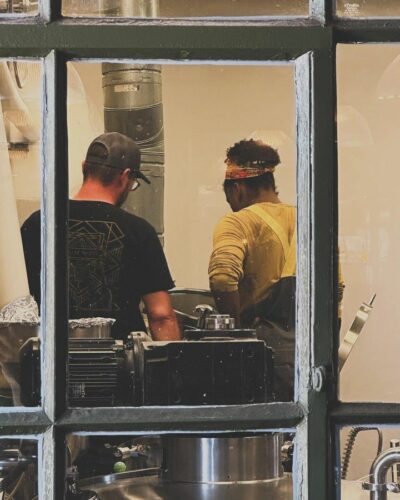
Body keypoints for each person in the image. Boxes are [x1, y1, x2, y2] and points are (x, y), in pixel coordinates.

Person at [209, 139, 344, 401]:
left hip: (260, 356)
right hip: (312, 359)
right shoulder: (312, 220)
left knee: (263, 427)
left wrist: (237, 332)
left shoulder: (237, 222)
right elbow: (336, 289)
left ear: (237, 189)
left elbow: (222, 277)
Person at [21, 132, 180, 341]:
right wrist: (176, 361)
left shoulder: (38, 223)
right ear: (125, 176)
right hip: (119, 357)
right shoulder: (139, 231)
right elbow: (161, 316)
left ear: (84, 167)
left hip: (53, 355)